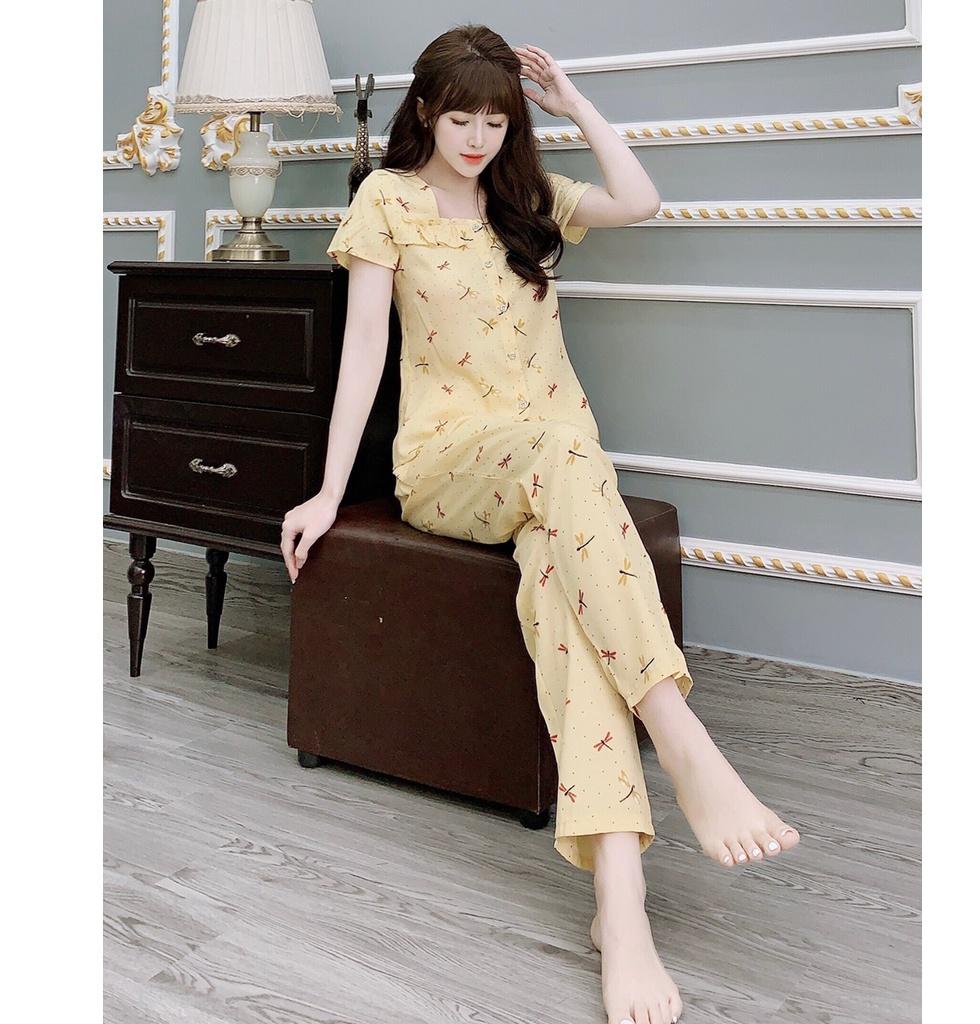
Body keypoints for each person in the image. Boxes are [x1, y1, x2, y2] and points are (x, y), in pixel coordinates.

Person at [280, 24, 800, 1024]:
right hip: (453, 466)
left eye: (495, 119)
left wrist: (576, 107)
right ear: (425, 112)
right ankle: (680, 735)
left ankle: (621, 904)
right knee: (566, 452)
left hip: (557, 476)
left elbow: (639, 200)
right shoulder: (386, 199)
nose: (477, 138)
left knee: (566, 594)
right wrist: (330, 491)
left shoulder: (527, 197)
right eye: (460, 118)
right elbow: (363, 355)